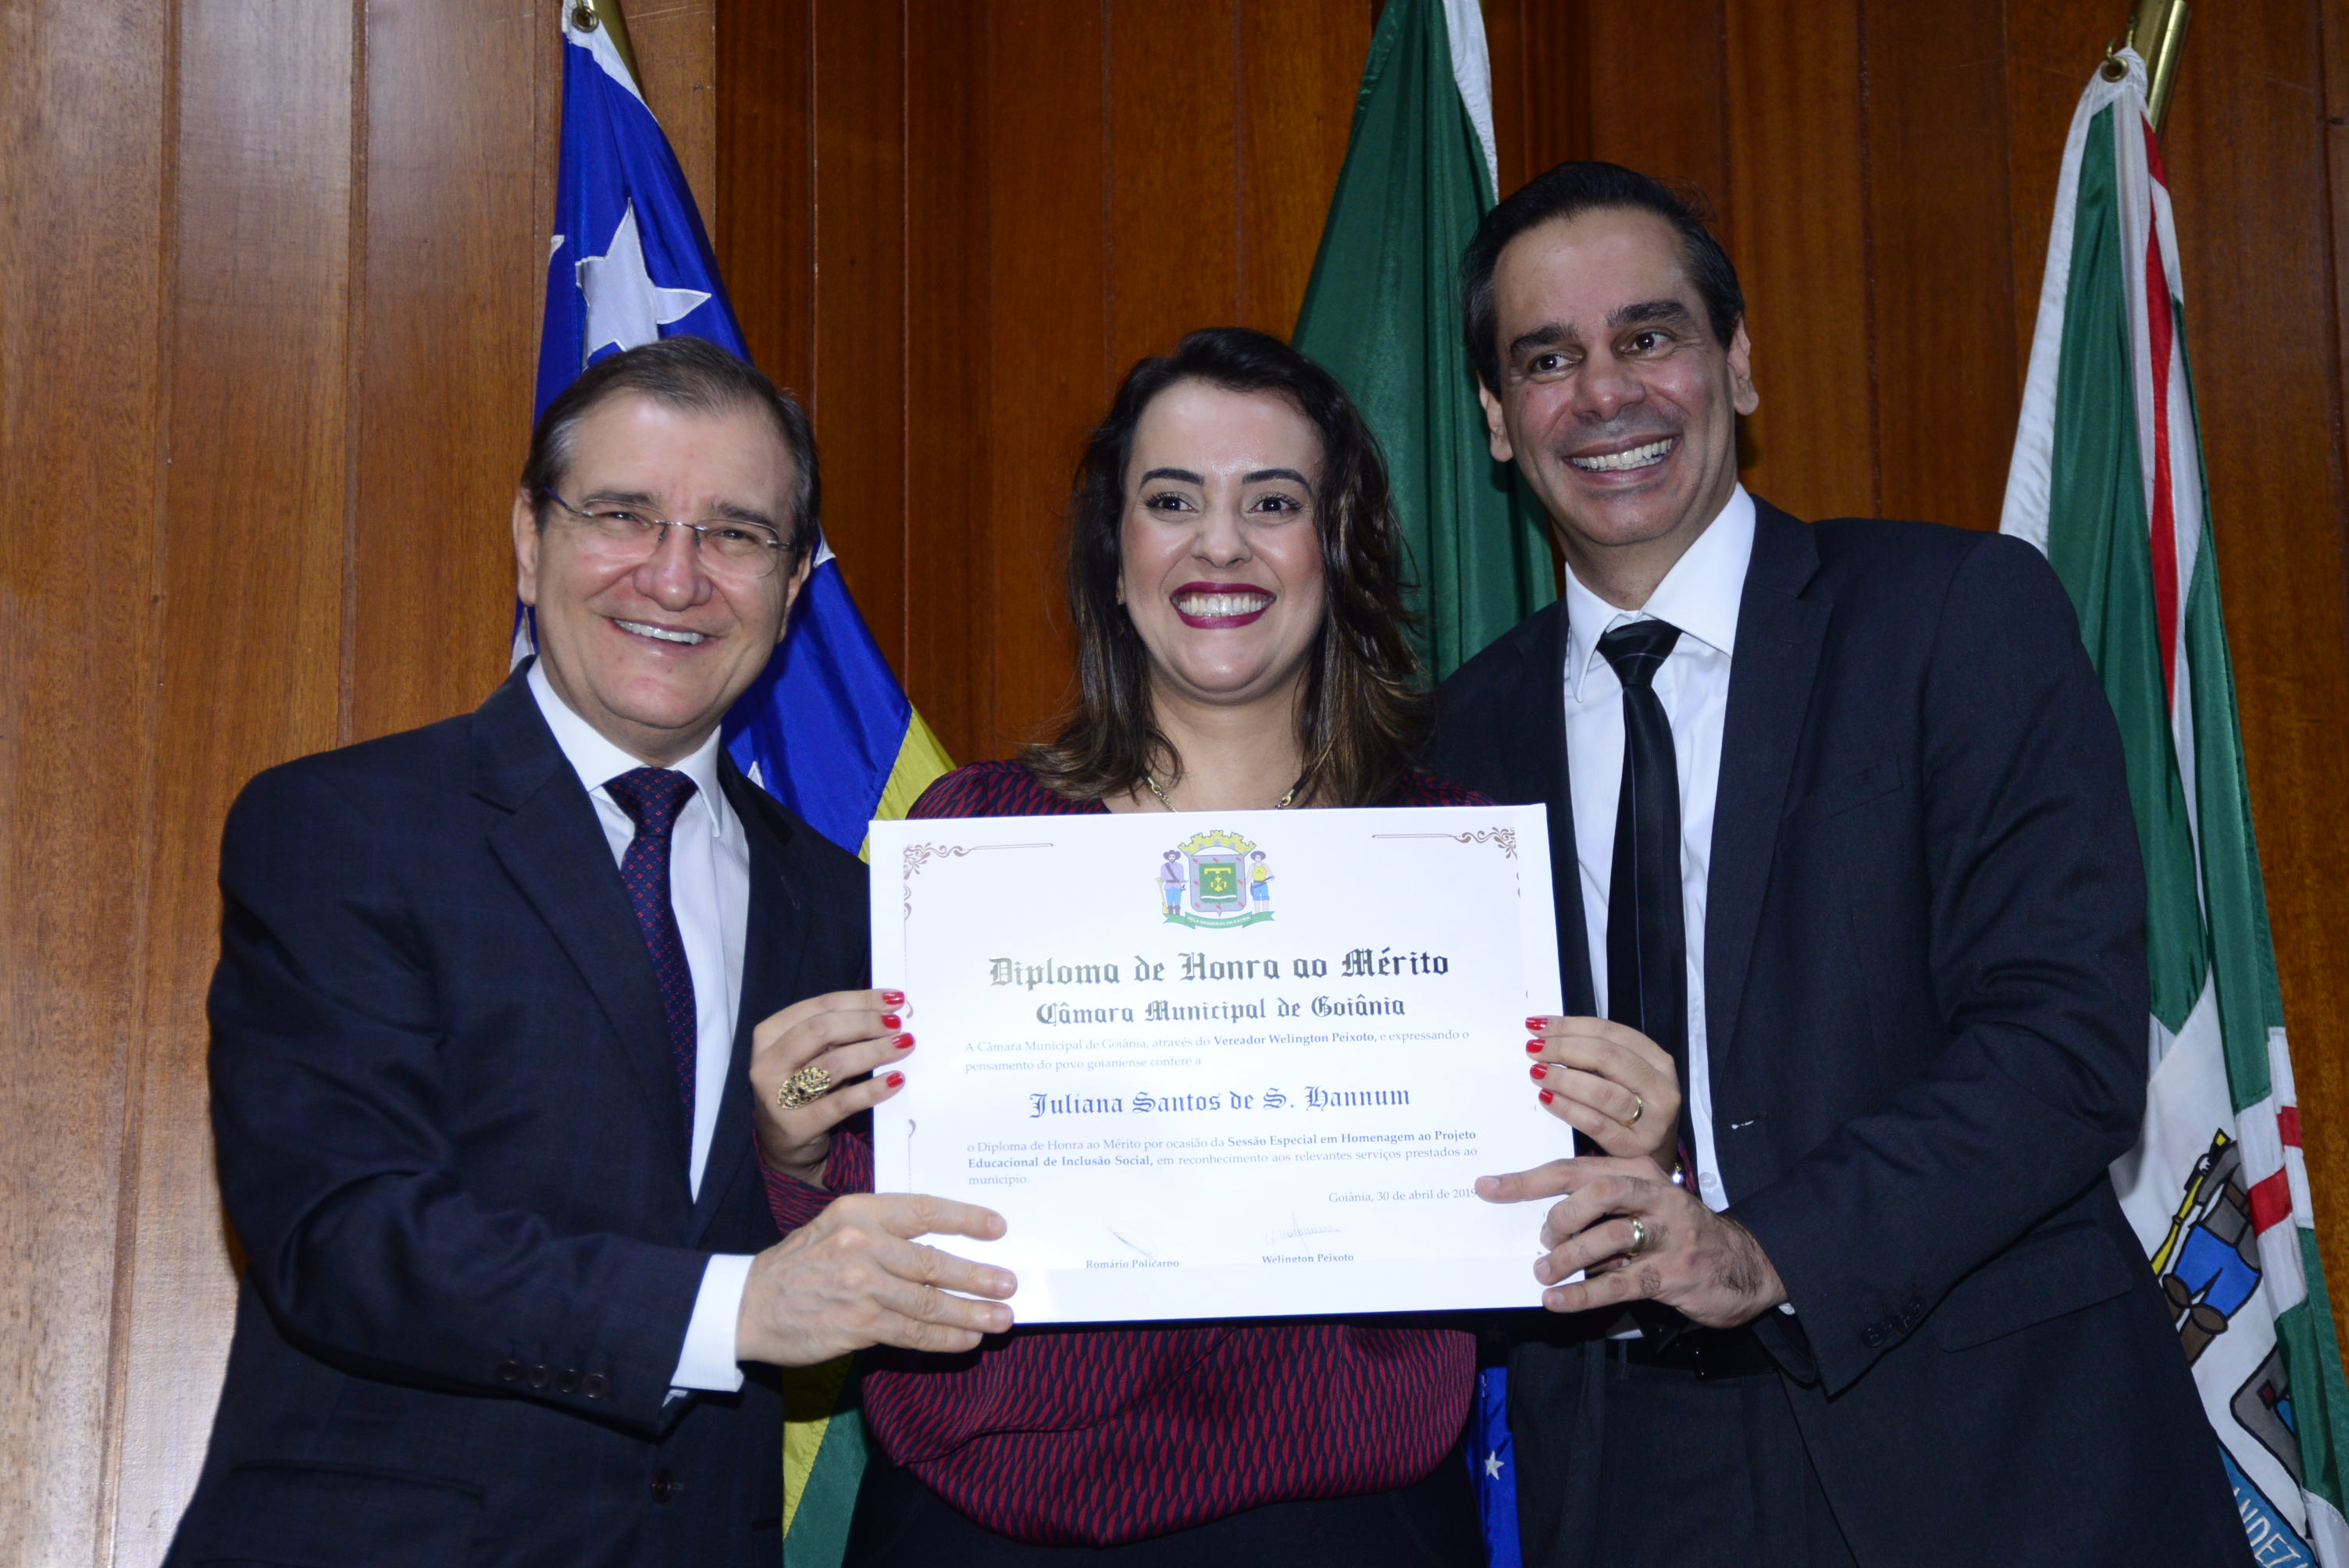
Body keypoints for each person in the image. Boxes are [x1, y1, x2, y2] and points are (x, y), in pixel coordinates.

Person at [1427, 162, 2251, 1566]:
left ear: (1738, 363)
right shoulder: (1453, 740)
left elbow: (2063, 1044)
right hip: (1622, 1468)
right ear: (1500, 421)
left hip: (1979, 1443)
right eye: (1548, 360)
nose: (1606, 395)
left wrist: (1764, 1251)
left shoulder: (1952, 615)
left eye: (1649, 336)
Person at [750, 327, 1683, 1566]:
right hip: (978, 1529)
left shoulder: (1451, 863)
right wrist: (796, 1140)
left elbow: (1522, 1241)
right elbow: (876, 1221)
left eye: (1274, 502)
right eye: (1173, 500)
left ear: (1336, 548)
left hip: (1345, 1533)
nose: (1221, 544)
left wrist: (1636, 1156)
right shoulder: (971, 840)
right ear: (1115, 551)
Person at [166, 337, 1014, 1568]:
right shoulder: (346, 827)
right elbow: (343, 1236)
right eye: (623, 515)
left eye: (735, 534)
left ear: (791, 587)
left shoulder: (859, 910)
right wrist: (733, 1309)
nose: (675, 576)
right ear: (530, 538)